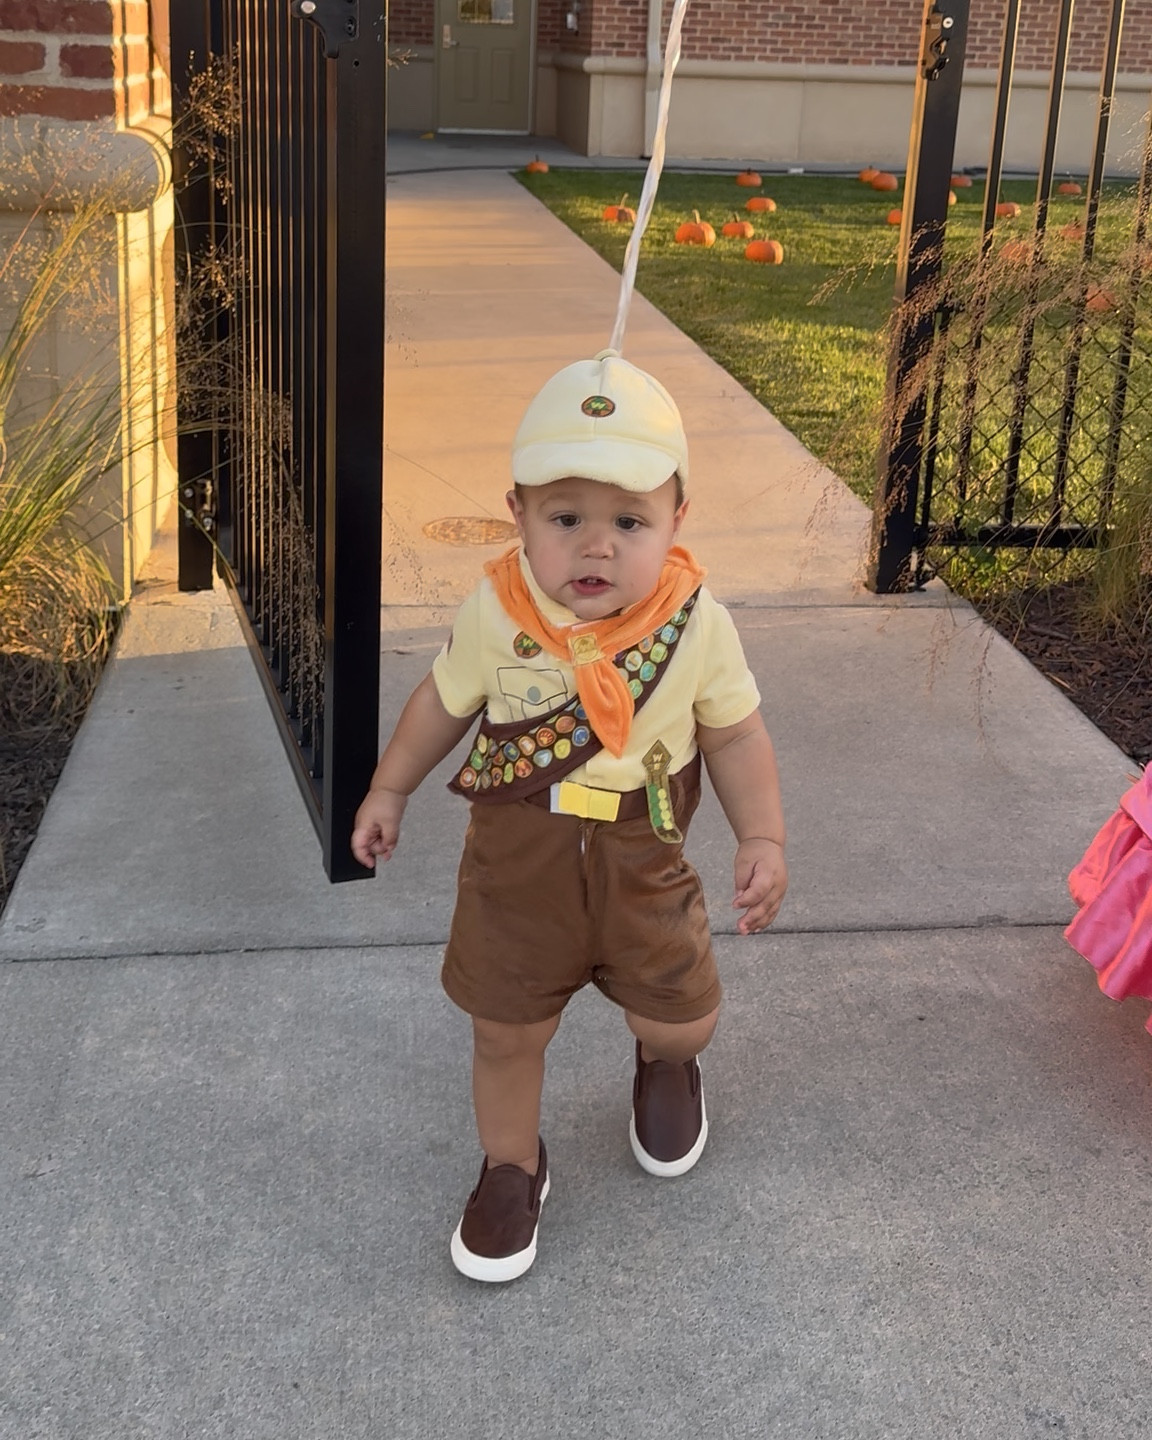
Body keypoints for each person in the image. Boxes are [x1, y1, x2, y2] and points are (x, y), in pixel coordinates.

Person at [351, 348, 787, 1283]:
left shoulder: (696, 623)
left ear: (677, 520)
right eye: (566, 517)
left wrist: (763, 834)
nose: (597, 546)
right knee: (504, 1027)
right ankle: (513, 1166)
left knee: (684, 1015)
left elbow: (738, 734)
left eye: (630, 520)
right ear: (517, 514)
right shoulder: (496, 612)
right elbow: (442, 702)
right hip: (520, 859)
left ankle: (664, 1064)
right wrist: (391, 787)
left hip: (644, 853)